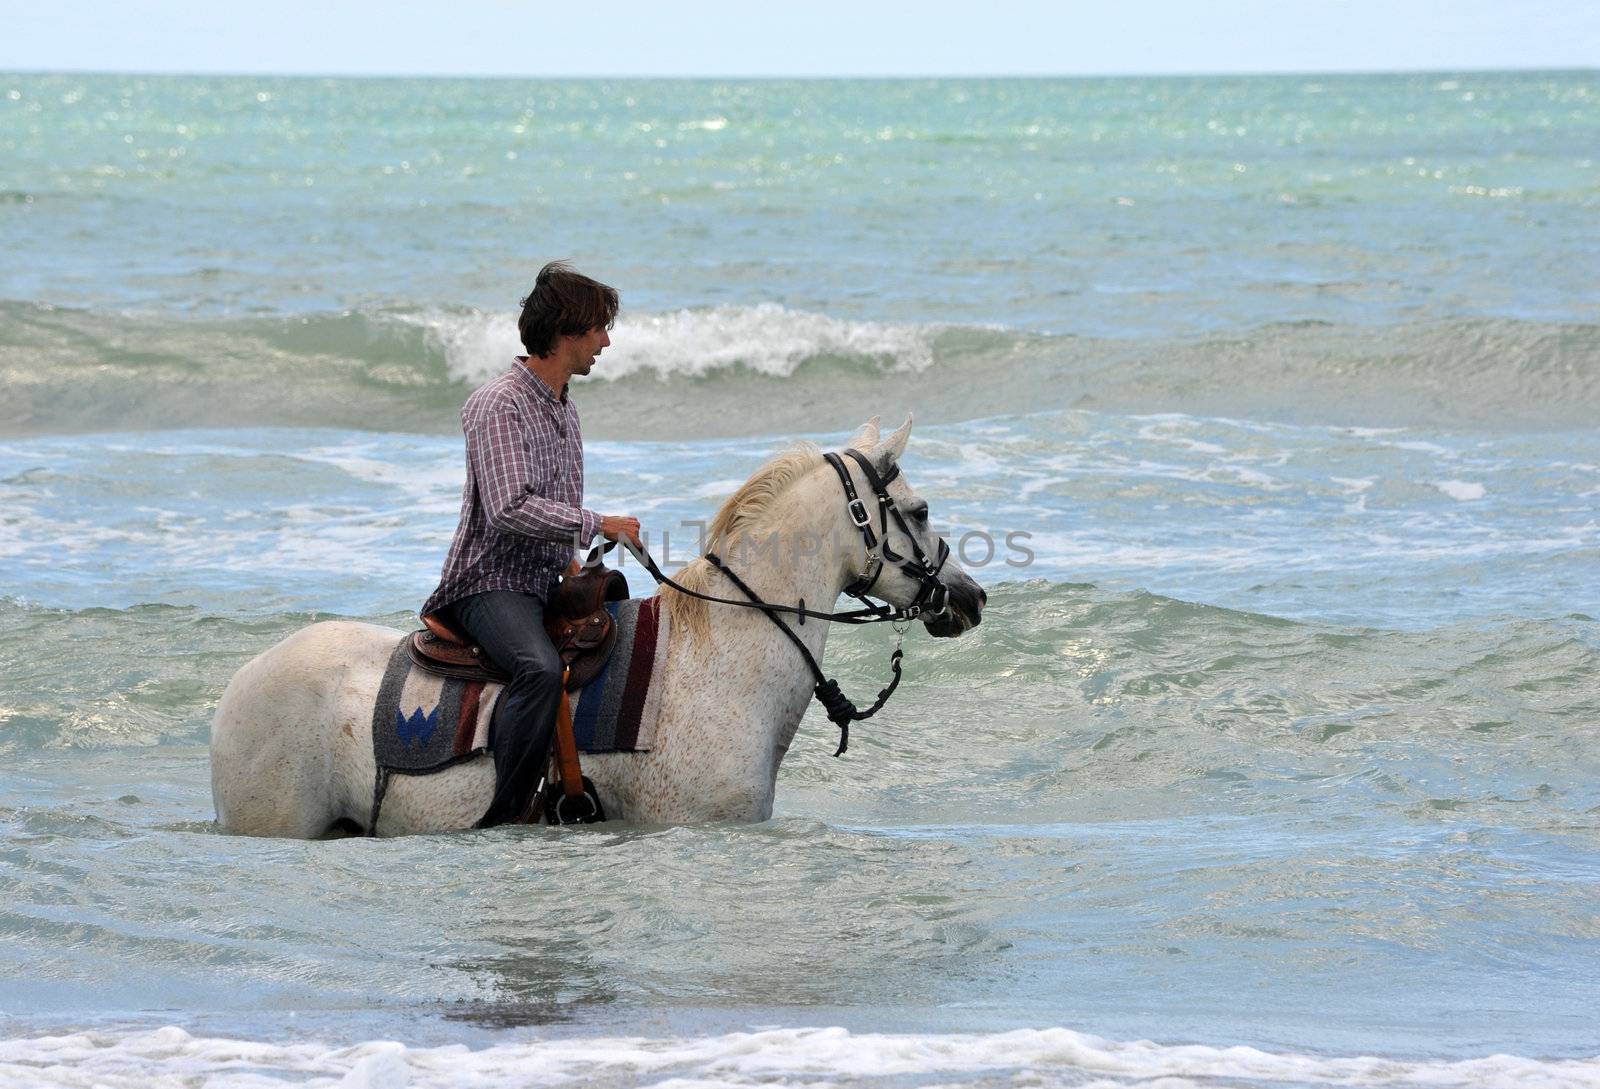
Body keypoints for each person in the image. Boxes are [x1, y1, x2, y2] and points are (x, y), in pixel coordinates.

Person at [421, 261, 640, 827]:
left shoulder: (565, 407)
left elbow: (549, 514)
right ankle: (506, 817)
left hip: (545, 581)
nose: (606, 341)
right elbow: (509, 509)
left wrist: (574, 559)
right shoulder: (498, 404)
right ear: (567, 331)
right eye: (599, 328)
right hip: (489, 583)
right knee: (539, 669)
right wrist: (598, 524)